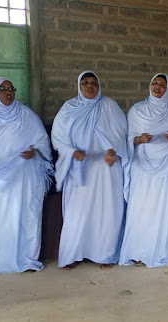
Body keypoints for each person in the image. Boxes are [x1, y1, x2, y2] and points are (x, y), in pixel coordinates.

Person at [52, 71, 128, 270]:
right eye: (85, 82)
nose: (89, 86)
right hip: (80, 168)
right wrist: (71, 151)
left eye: (94, 82)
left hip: (106, 168)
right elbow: (58, 138)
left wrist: (115, 150)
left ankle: (105, 254)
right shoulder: (69, 108)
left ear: (99, 85)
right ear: (79, 86)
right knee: (78, 213)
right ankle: (75, 253)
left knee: (106, 211)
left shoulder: (109, 106)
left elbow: (121, 133)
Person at [0, 78, 52, 276]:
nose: (8, 92)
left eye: (11, 88)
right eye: (2, 89)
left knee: (23, 218)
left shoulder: (26, 116)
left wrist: (35, 152)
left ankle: (25, 258)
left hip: (23, 180)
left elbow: (42, 143)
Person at [119, 74, 168, 268]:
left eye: (162, 84)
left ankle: (160, 251)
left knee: (165, 211)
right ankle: (138, 251)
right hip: (142, 168)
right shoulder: (136, 111)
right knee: (141, 210)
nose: (157, 87)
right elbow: (127, 139)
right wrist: (140, 140)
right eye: (155, 83)